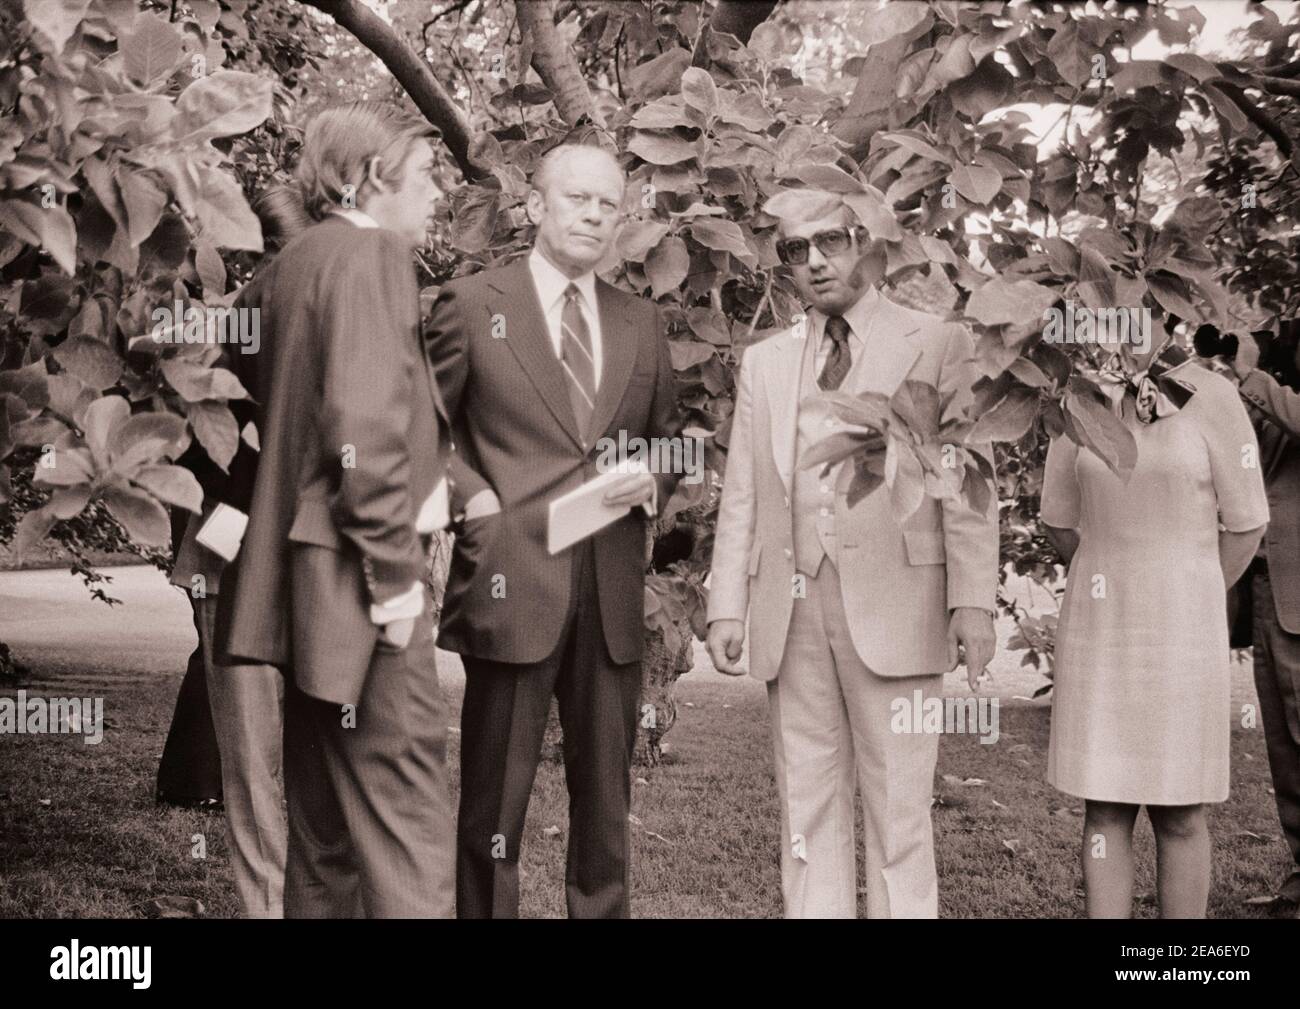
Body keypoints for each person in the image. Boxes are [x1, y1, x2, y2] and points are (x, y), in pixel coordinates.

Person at [705, 190, 999, 918]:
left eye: (829, 242)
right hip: (792, 603)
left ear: (868, 242)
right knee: (805, 804)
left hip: (899, 600)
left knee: (900, 809)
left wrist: (972, 600)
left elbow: (965, 479)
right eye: (794, 251)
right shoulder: (766, 360)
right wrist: (725, 605)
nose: (812, 262)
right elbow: (743, 487)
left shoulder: (937, 342)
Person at [426, 142, 684, 918]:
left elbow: (670, 437)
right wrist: (477, 509)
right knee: (492, 813)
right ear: (536, 206)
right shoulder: (470, 303)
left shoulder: (642, 320)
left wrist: (657, 475)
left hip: (609, 597)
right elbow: (418, 436)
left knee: (605, 810)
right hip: (510, 584)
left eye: (609, 204)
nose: (595, 215)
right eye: (578, 199)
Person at [214, 102, 454, 917]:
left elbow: (238, 387)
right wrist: (395, 584)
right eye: (424, 174)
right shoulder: (374, 254)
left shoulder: (288, 266)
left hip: (301, 589)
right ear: (366, 175)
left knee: (322, 842)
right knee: (409, 831)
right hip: (363, 585)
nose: (437, 194)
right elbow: (361, 428)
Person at [1041, 342, 1268, 918]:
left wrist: (1190, 588)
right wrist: (1109, 572)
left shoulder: (1214, 396)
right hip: (1102, 625)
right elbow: (1059, 517)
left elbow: (1246, 522)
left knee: (1183, 811)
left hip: (1184, 629)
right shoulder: (1078, 397)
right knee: (1106, 808)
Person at [163, 187, 310, 917]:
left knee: (269, 761)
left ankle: (284, 902)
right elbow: (206, 458)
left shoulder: (336, 321)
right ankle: (271, 905)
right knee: (257, 759)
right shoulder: (224, 327)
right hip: (237, 554)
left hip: (294, 561)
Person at [1230, 331, 1300, 915]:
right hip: (1268, 593)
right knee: (1283, 749)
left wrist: (1251, 375)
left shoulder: (1276, 394)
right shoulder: (1275, 402)